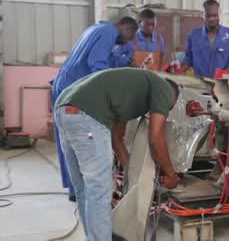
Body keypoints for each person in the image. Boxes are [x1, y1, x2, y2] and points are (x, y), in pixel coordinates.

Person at [54, 68, 182, 241]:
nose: (163, 110)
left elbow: (116, 137)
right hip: (88, 117)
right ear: (172, 98)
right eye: (167, 108)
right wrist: (170, 174)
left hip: (64, 111)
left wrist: (131, 171)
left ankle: (94, 237)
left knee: (85, 188)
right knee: (99, 191)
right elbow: (156, 137)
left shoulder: (130, 90)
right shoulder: (164, 88)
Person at [50, 17, 137, 201]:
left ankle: (75, 190)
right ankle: (81, 189)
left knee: (67, 141)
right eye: (130, 37)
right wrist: (110, 95)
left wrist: (126, 62)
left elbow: (109, 59)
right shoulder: (108, 33)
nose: (128, 41)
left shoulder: (98, 29)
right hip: (72, 90)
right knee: (81, 140)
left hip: (63, 85)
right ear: (127, 28)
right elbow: (97, 64)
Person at [181, 0, 229, 78]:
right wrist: (177, 69)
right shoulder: (193, 35)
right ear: (203, 15)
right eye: (208, 16)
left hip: (221, 85)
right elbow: (188, 59)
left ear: (219, 14)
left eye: (215, 15)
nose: (212, 19)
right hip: (199, 85)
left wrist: (223, 74)